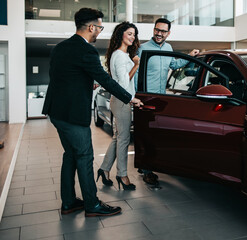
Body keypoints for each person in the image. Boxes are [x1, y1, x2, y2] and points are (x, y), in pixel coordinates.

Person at [42, 8, 142, 217]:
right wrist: (129, 97)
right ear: (90, 27)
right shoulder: (86, 50)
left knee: (70, 155)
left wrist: (88, 83)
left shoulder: (60, 48)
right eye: (99, 27)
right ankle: (92, 204)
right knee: (85, 157)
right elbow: (106, 80)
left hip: (56, 111)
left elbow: (65, 77)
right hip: (72, 114)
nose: (99, 31)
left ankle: (69, 202)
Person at [135, 18, 199, 185]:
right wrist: (135, 96)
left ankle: (146, 165)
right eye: (157, 30)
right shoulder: (143, 49)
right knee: (146, 135)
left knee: (155, 135)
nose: (159, 33)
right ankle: (147, 170)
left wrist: (190, 57)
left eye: (163, 31)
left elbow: (175, 64)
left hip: (161, 98)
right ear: (153, 29)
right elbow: (135, 74)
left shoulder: (168, 48)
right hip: (146, 98)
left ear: (168, 33)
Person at [97, 22, 140, 191]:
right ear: (121, 34)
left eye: (134, 34)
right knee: (124, 140)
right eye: (129, 33)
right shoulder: (121, 56)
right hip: (123, 101)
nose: (132, 37)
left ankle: (104, 169)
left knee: (118, 138)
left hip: (119, 100)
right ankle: (122, 175)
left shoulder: (119, 54)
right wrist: (136, 65)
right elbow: (123, 83)